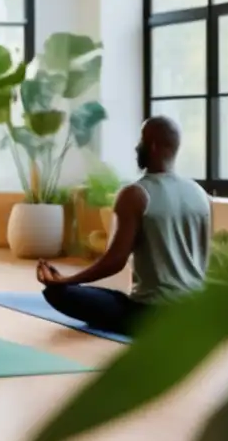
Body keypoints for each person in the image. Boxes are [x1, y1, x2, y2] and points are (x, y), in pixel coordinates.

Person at [37, 115, 211, 336]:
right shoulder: (201, 194)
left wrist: (66, 281)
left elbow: (115, 262)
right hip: (194, 311)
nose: (137, 147)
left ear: (153, 146)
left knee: (57, 293)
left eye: (141, 140)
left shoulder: (135, 194)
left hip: (150, 312)